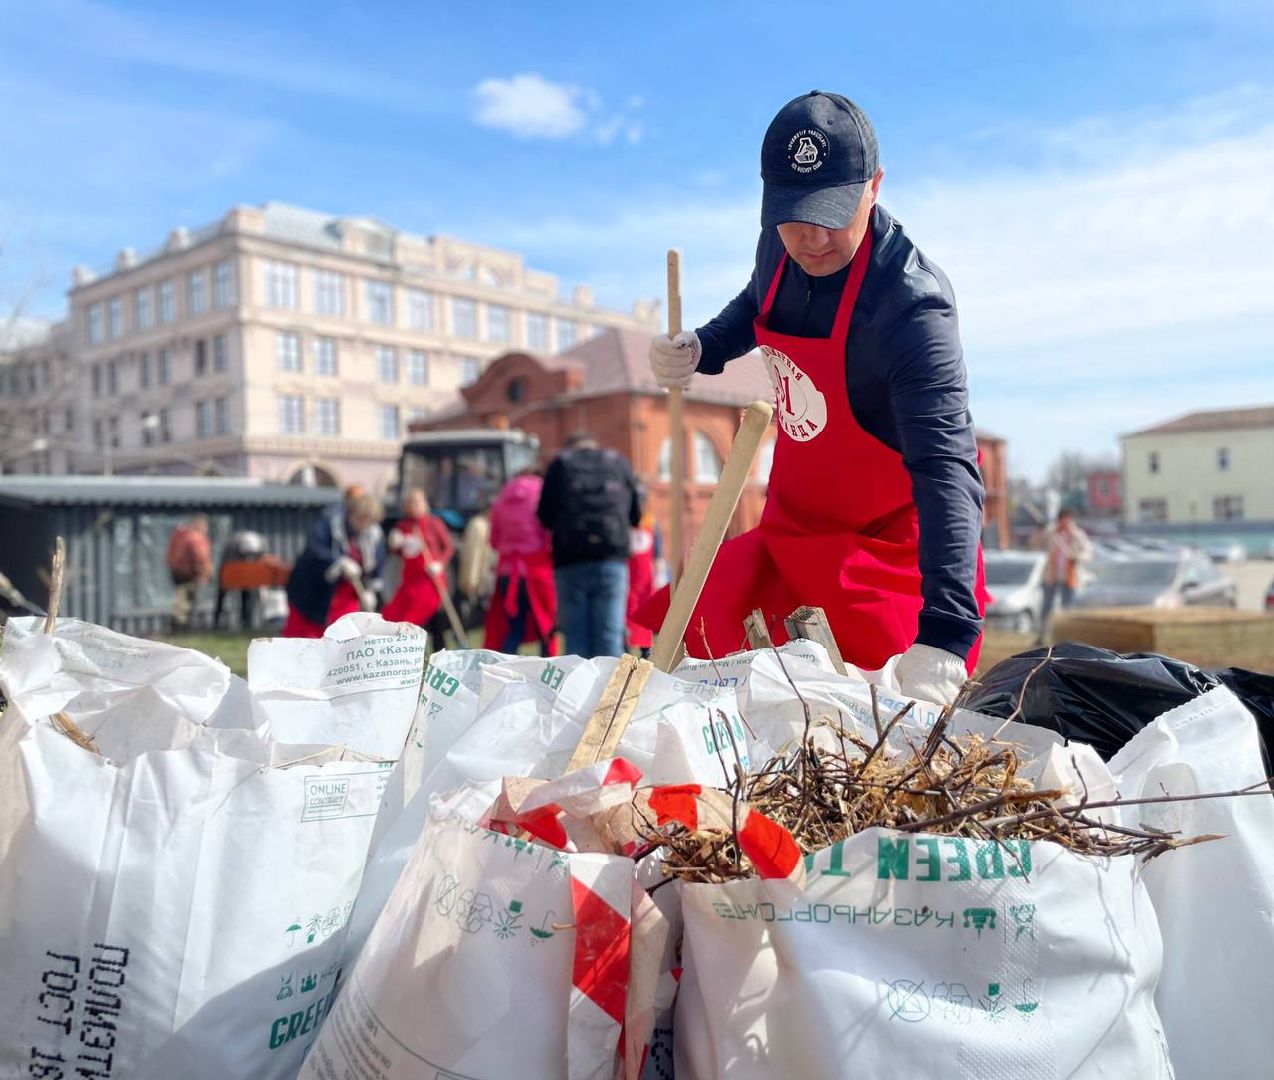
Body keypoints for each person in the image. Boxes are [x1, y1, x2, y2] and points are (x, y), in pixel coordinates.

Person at [644, 91, 988, 705]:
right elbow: (757, 305)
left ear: (874, 186)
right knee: (700, 657)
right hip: (792, 532)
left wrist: (948, 631)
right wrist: (704, 348)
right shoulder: (779, 244)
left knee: (863, 728)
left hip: (880, 560)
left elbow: (947, 469)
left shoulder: (913, 308)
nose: (812, 237)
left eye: (832, 211)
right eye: (794, 212)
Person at [537, 433, 643, 658]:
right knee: (610, 636)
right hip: (611, 560)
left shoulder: (560, 464)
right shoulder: (618, 462)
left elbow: (544, 515)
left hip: (570, 562)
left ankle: (579, 692)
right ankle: (611, 692)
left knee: (575, 638)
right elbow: (636, 514)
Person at [283, 491, 385, 637]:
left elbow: (377, 564)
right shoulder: (328, 524)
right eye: (360, 519)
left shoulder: (374, 534)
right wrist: (338, 562)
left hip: (347, 597)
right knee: (306, 640)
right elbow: (314, 550)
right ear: (351, 513)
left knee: (343, 639)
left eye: (368, 521)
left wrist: (371, 590)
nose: (363, 525)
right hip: (314, 592)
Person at [484, 468, 558, 656]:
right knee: (546, 628)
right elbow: (550, 534)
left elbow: (493, 541)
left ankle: (505, 669)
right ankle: (550, 674)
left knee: (513, 629)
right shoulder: (543, 493)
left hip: (507, 572)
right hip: (537, 570)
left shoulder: (501, 500)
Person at [382, 488, 455, 629]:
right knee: (391, 616)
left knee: (413, 618)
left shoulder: (434, 523)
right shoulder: (402, 526)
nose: (414, 506)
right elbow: (399, 553)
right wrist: (395, 545)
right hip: (409, 581)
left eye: (417, 502)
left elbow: (448, 547)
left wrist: (439, 564)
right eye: (410, 503)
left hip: (429, 579)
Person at [1037, 509, 1092, 644]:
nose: (1066, 523)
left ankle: (1067, 638)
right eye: (1063, 520)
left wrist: (1076, 557)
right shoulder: (1051, 534)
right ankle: (1042, 635)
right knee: (1047, 607)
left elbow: (1087, 552)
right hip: (1052, 576)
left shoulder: (1078, 535)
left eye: (1068, 520)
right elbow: (1036, 543)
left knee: (1068, 608)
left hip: (1070, 576)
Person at [166, 515, 213, 631]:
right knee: (187, 600)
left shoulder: (180, 535)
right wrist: (203, 572)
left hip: (177, 573)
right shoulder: (196, 537)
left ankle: (178, 624)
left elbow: (169, 555)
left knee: (182, 598)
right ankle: (180, 625)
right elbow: (199, 556)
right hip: (191, 574)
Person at [213, 529, 265, 630]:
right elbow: (228, 567)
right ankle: (216, 622)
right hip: (228, 572)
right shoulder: (231, 549)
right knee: (222, 595)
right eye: (247, 555)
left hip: (244, 574)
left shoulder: (257, 545)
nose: (249, 558)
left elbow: (258, 563)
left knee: (247, 594)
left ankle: (246, 622)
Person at [626, 512, 657, 659]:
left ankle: (645, 647)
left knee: (643, 609)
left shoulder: (649, 522)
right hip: (632, 574)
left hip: (643, 577)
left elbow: (657, 550)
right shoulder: (649, 522)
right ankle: (631, 645)